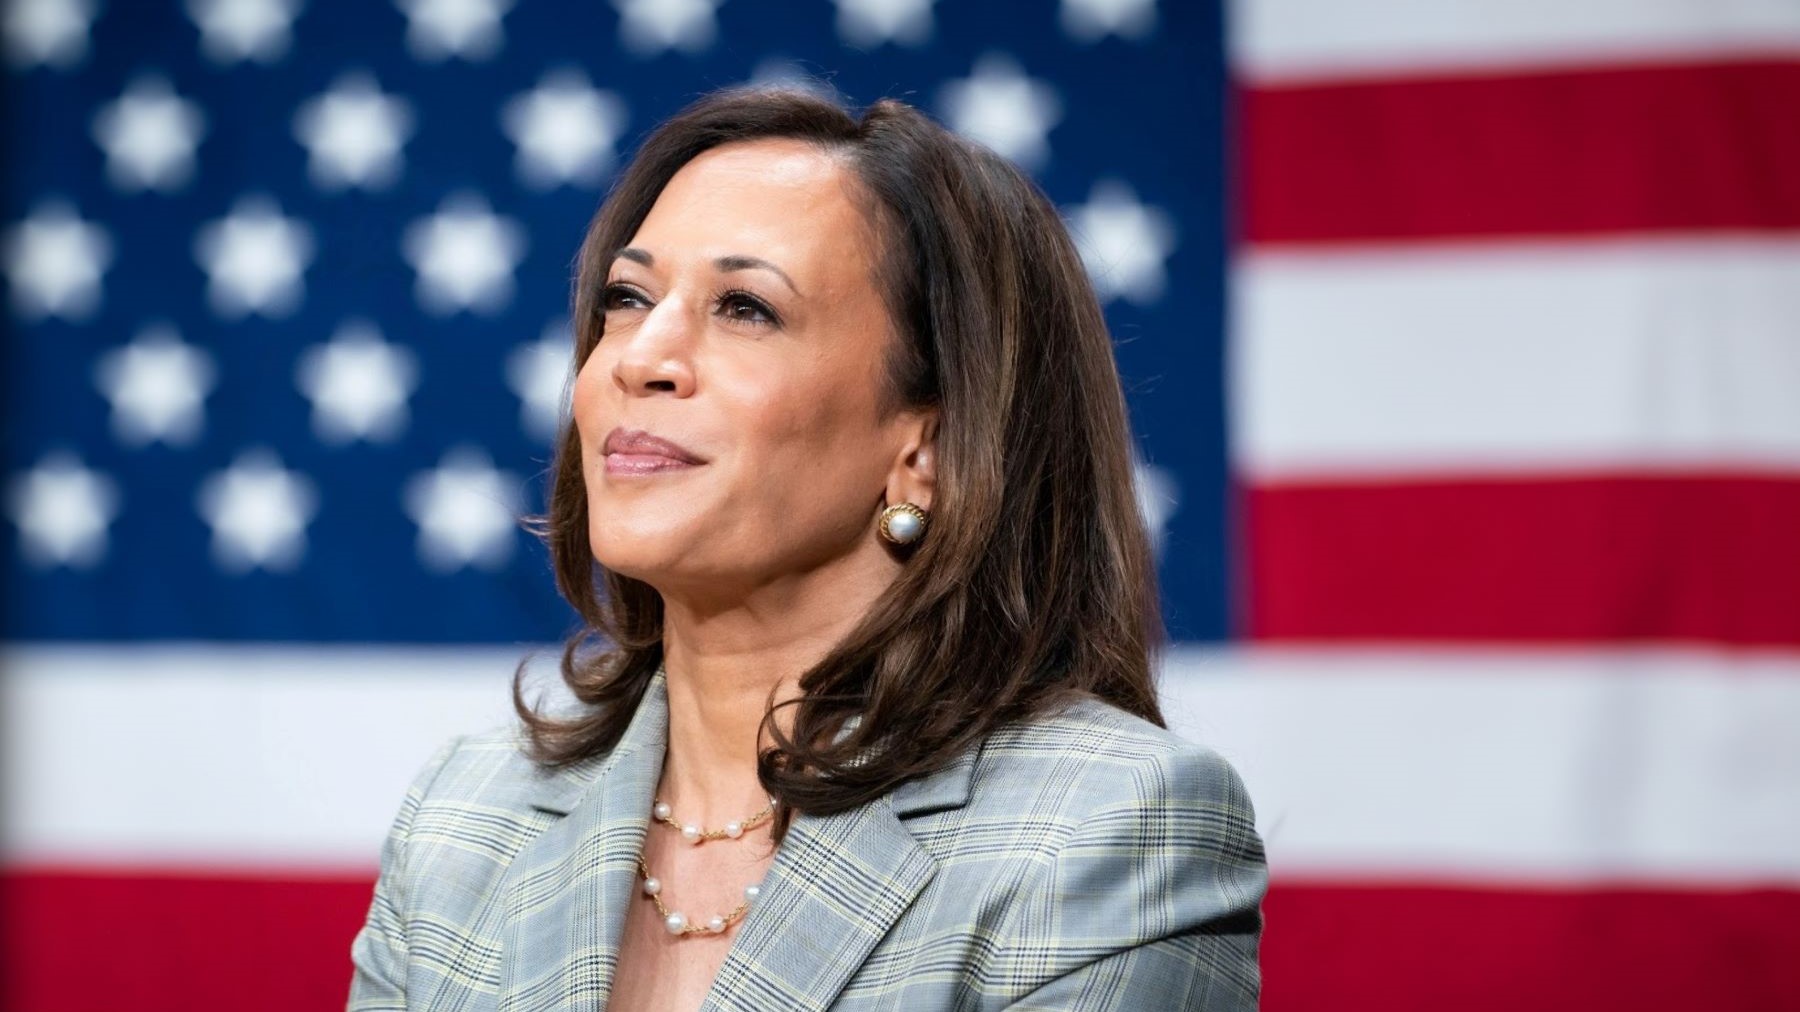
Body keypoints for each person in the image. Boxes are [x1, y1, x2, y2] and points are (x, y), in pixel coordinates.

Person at [348, 85, 1267, 1012]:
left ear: (928, 449)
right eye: (628, 298)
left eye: (745, 308)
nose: (639, 358)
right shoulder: (464, 820)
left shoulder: (1106, 829)